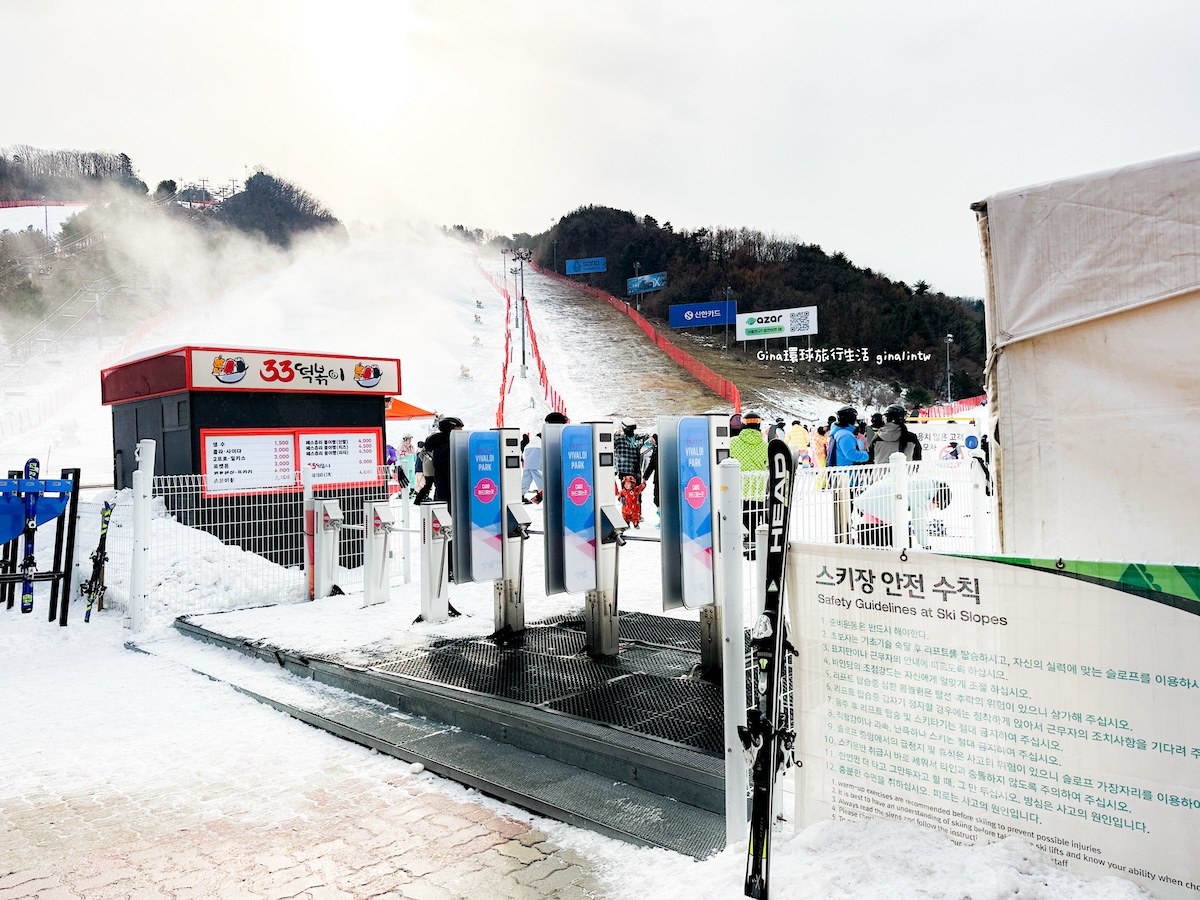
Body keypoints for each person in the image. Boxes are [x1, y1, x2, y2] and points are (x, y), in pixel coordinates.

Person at [853, 478, 952, 549]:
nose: (933, 507)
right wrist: (925, 545)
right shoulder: (921, 493)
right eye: (936, 504)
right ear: (936, 499)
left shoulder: (922, 485)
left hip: (874, 503)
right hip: (878, 505)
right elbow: (919, 521)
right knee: (897, 536)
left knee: (880, 534)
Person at [729, 411, 769, 556]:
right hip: (757, 487)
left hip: (737, 487)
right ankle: (754, 548)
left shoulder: (732, 442)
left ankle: (739, 546)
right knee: (756, 517)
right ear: (759, 425)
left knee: (739, 517)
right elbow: (767, 463)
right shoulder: (764, 445)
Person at [416, 416, 463, 505]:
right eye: (459, 427)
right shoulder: (445, 447)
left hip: (443, 487)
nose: (461, 430)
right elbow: (448, 468)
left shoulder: (441, 444)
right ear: (451, 429)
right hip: (448, 488)